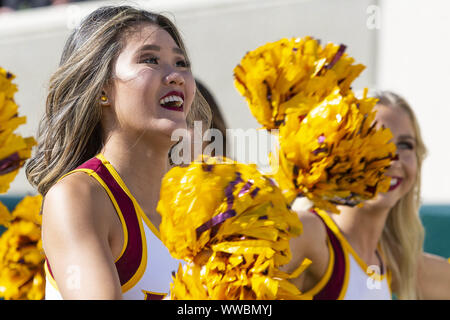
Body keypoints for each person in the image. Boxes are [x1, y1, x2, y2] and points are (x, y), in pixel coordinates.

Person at [25, 5, 211, 300]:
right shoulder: (77, 197)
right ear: (101, 88)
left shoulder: (199, 206)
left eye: (180, 62)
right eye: (150, 59)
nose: (175, 76)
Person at [282, 90, 450, 299]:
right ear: (339, 150)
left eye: (405, 145)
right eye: (374, 140)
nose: (392, 159)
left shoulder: (395, 262)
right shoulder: (310, 232)